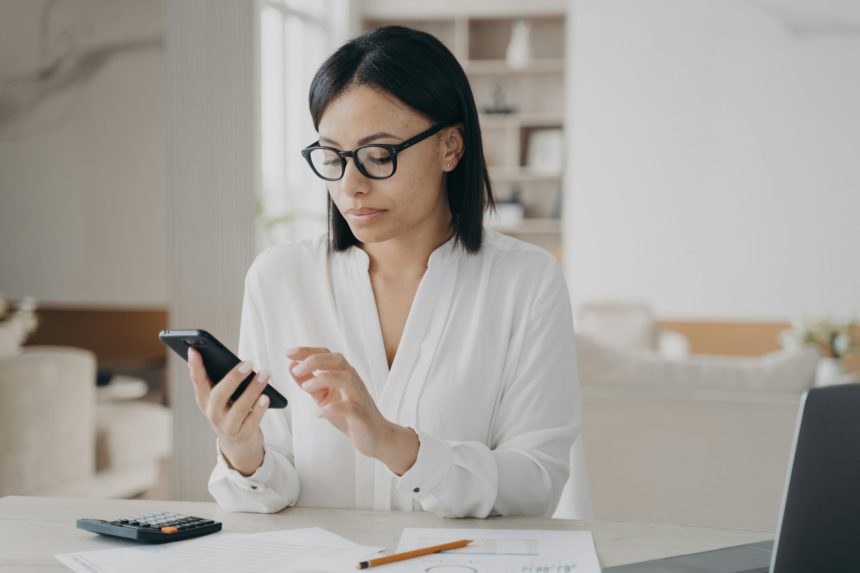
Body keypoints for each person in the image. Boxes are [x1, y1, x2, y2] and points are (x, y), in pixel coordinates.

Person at [186, 25, 581, 518]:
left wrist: (396, 445)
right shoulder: (279, 278)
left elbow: (536, 483)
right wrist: (243, 453)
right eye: (332, 157)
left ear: (450, 147)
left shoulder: (526, 282)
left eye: (379, 155)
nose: (350, 185)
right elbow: (275, 487)